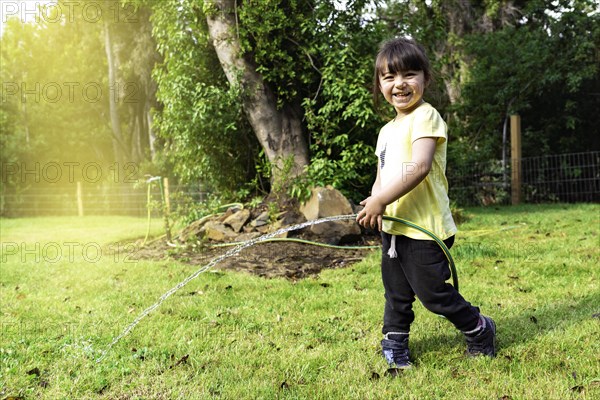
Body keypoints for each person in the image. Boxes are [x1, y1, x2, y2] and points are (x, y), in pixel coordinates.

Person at [356, 37, 496, 370]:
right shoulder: (385, 131)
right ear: (380, 84)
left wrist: (381, 199)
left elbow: (419, 167)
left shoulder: (425, 117)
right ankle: (394, 341)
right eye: (389, 77)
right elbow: (383, 174)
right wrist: (374, 202)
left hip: (425, 229)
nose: (399, 84)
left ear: (425, 79)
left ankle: (479, 328)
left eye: (409, 74)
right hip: (394, 229)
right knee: (396, 292)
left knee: (433, 294)